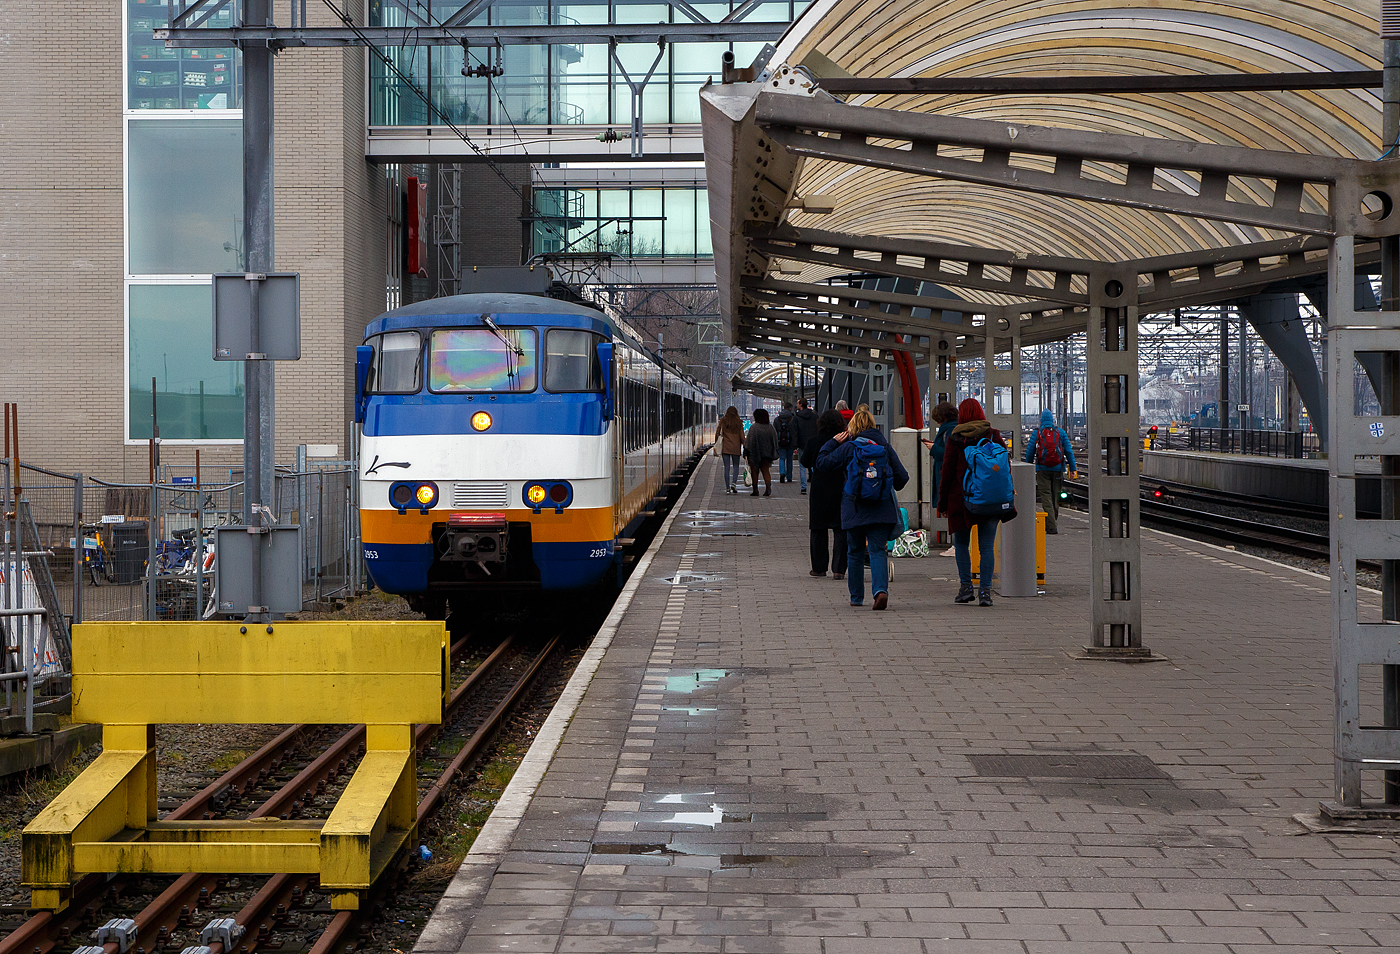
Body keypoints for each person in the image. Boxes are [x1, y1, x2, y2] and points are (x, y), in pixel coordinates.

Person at [816, 405, 909, 611]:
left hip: (854, 508)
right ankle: (880, 591)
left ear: (853, 427)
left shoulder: (849, 447)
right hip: (881, 508)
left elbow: (821, 464)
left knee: (855, 552)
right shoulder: (884, 447)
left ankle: (857, 597)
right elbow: (902, 478)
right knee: (877, 551)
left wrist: (832, 442)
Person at [939, 397, 1004, 607]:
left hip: (961, 499)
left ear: (962, 414)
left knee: (961, 544)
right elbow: (1004, 466)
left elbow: (946, 472)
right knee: (986, 547)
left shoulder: (955, 437)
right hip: (989, 498)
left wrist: (942, 503)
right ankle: (985, 592)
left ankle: (966, 588)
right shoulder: (993, 435)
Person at [800, 409, 848, 578]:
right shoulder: (846, 441)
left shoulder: (814, 441)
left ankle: (819, 568)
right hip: (841, 487)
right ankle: (839, 569)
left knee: (818, 529)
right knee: (841, 529)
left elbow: (805, 462)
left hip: (819, 488)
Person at [1024, 409, 1077, 534]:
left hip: (1042, 469)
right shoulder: (1060, 432)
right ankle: (1052, 523)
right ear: (1052, 420)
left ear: (1041, 420)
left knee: (1046, 496)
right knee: (1055, 497)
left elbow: (1030, 452)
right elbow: (1069, 452)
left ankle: (1051, 526)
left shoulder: (1037, 433)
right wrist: (1073, 468)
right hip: (1058, 469)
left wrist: (1028, 467)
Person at [743, 408, 779, 497]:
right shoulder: (770, 427)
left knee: (754, 471)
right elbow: (775, 440)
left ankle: (755, 490)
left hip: (754, 453)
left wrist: (746, 452)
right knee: (765, 470)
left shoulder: (754, 427)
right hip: (767, 454)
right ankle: (768, 487)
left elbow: (749, 441)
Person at [790, 398, 819, 494]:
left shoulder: (796, 418)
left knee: (802, 466)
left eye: (798, 403)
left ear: (801, 405)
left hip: (802, 444)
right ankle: (815, 485)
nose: (796, 405)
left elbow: (795, 433)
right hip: (813, 443)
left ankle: (803, 487)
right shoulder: (815, 417)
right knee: (813, 464)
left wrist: (795, 446)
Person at [714, 406, 745, 494]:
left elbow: (718, 432)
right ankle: (734, 484)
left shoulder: (723, 421)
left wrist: (716, 442)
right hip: (736, 447)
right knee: (736, 466)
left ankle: (727, 487)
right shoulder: (739, 422)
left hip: (726, 447)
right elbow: (742, 436)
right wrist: (744, 445)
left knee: (726, 467)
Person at [774, 402, 796, 483]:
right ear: (790, 408)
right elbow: (794, 431)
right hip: (790, 442)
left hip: (780, 442)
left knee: (782, 458)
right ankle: (789, 477)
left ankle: (782, 473)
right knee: (789, 460)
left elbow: (775, 431)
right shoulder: (793, 418)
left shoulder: (777, 419)